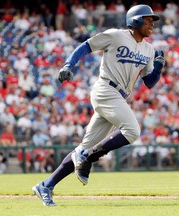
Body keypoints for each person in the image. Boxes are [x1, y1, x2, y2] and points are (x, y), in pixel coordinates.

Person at [32, 4, 165, 206]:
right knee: (132, 130)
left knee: (84, 147)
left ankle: (46, 185)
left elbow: (149, 82)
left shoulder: (149, 49)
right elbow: (86, 45)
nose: (151, 24)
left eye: (153, 21)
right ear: (135, 20)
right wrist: (69, 64)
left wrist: (159, 67)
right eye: (147, 20)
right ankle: (87, 157)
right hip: (105, 90)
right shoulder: (116, 35)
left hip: (119, 97)